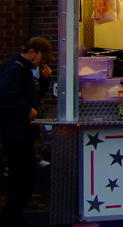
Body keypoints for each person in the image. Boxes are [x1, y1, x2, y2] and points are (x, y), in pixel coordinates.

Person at [0, 37, 54, 226]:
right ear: (32, 53)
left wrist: (46, 81)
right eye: (42, 57)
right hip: (15, 133)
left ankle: (13, 216)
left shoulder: (24, 70)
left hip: (20, 133)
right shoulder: (16, 70)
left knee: (25, 177)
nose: (43, 62)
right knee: (24, 178)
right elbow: (5, 98)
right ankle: (11, 217)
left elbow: (34, 97)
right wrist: (26, 109)